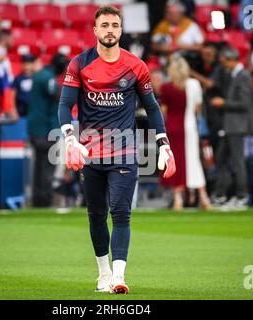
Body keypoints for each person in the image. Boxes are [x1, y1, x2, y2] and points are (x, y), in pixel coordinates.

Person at [58, 6, 176, 294]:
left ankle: (119, 277)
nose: (110, 29)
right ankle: (103, 274)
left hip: (124, 153)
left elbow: (152, 107)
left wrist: (164, 144)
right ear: (95, 30)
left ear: (120, 31)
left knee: (121, 213)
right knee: (96, 215)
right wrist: (70, 140)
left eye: (115, 25)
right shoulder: (79, 64)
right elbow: (64, 105)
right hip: (89, 154)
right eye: (104, 25)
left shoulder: (136, 66)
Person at [159, 55, 211, 211]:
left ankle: (178, 200)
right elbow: (197, 108)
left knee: (175, 163)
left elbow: (164, 111)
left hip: (172, 128)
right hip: (189, 128)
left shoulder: (166, 87)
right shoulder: (194, 84)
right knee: (193, 160)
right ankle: (204, 197)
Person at [210, 47, 253, 208]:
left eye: (224, 62)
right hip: (230, 125)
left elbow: (245, 103)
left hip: (238, 126)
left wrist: (224, 103)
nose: (223, 66)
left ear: (231, 60)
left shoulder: (243, 76)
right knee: (220, 158)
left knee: (237, 162)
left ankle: (242, 196)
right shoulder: (234, 75)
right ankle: (221, 193)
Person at [29, 54, 67, 207]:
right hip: (45, 129)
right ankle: (45, 200)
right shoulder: (48, 78)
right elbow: (60, 97)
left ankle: (38, 200)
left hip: (37, 128)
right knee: (47, 166)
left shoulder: (41, 75)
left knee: (39, 167)